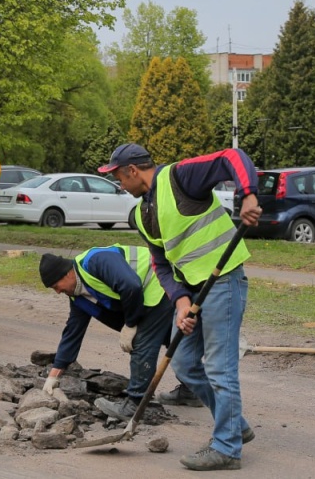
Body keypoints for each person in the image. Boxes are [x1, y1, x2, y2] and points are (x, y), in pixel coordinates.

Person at [99, 143, 262, 472]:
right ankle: (236, 426)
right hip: (193, 293)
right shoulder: (143, 214)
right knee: (186, 364)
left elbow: (232, 157)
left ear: (133, 170)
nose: (117, 183)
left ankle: (227, 447)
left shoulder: (180, 177)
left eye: (117, 175)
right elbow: (161, 264)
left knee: (219, 368)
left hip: (223, 282)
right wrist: (181, 302)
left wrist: (248, 195)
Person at [39, 245, 176, 421]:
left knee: (142, 342)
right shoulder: (78, 296)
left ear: (67, 274)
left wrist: (130, 323)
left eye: (56, 286)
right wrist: (54, 375)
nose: (58, 292)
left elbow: (131, 285)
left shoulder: (95, 261)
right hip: (145, 296)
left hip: (158, 282)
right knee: (172, 337)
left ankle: (136, 403)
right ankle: (190, 391)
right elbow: (73, 332)